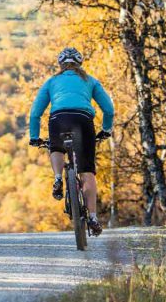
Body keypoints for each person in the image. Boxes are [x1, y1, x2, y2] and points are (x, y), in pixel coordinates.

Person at [28, 47, 114, 236]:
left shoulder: (52, 81)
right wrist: (106, 130)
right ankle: (92, 217)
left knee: (56, 146)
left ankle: (58, 178)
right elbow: (108, 109)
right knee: (87, 171)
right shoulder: (90, 80)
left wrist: (34, 137)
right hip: (83, 120)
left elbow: (35, 113)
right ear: (79, 64)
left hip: (58, 119)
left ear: (61, 65)